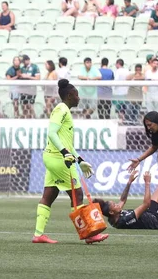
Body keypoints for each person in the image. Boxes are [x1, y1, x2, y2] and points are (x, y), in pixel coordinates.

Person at [32, 79, 107, 244]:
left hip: (53, 157)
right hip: (60, 159)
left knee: (49, 195)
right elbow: (52, 133)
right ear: (69, 95)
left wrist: (80, 160)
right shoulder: (61, 109)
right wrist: (65, 153)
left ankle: (38, 234)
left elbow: (67, 143)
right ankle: (89, 234)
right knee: (77, 195)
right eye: (77, 95)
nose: (79, 98)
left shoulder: (64, 110)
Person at [94, 171, 158, 230]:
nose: (117, 205)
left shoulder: (114, 217)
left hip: (150, 213)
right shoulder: (124, 220)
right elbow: (146, 204)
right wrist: (147, 183)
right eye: (115, 205)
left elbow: (122, 200)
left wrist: (129, 182)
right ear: (111, 212)